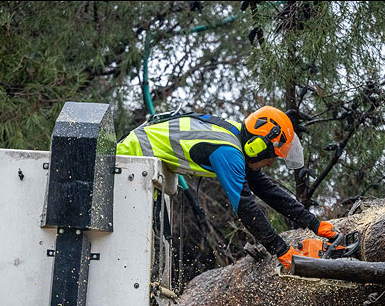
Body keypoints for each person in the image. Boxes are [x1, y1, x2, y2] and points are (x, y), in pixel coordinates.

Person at [117, 106, 339, 270]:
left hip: (145, 167)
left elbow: (267, 190)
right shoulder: (228, 151)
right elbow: (245, 208)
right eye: (271, 156)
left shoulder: (234, 138)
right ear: (258, 146)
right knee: (142, 251)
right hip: (133, 162)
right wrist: (282, 251)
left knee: (153, 248)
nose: (271, 163)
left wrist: (316, 224)